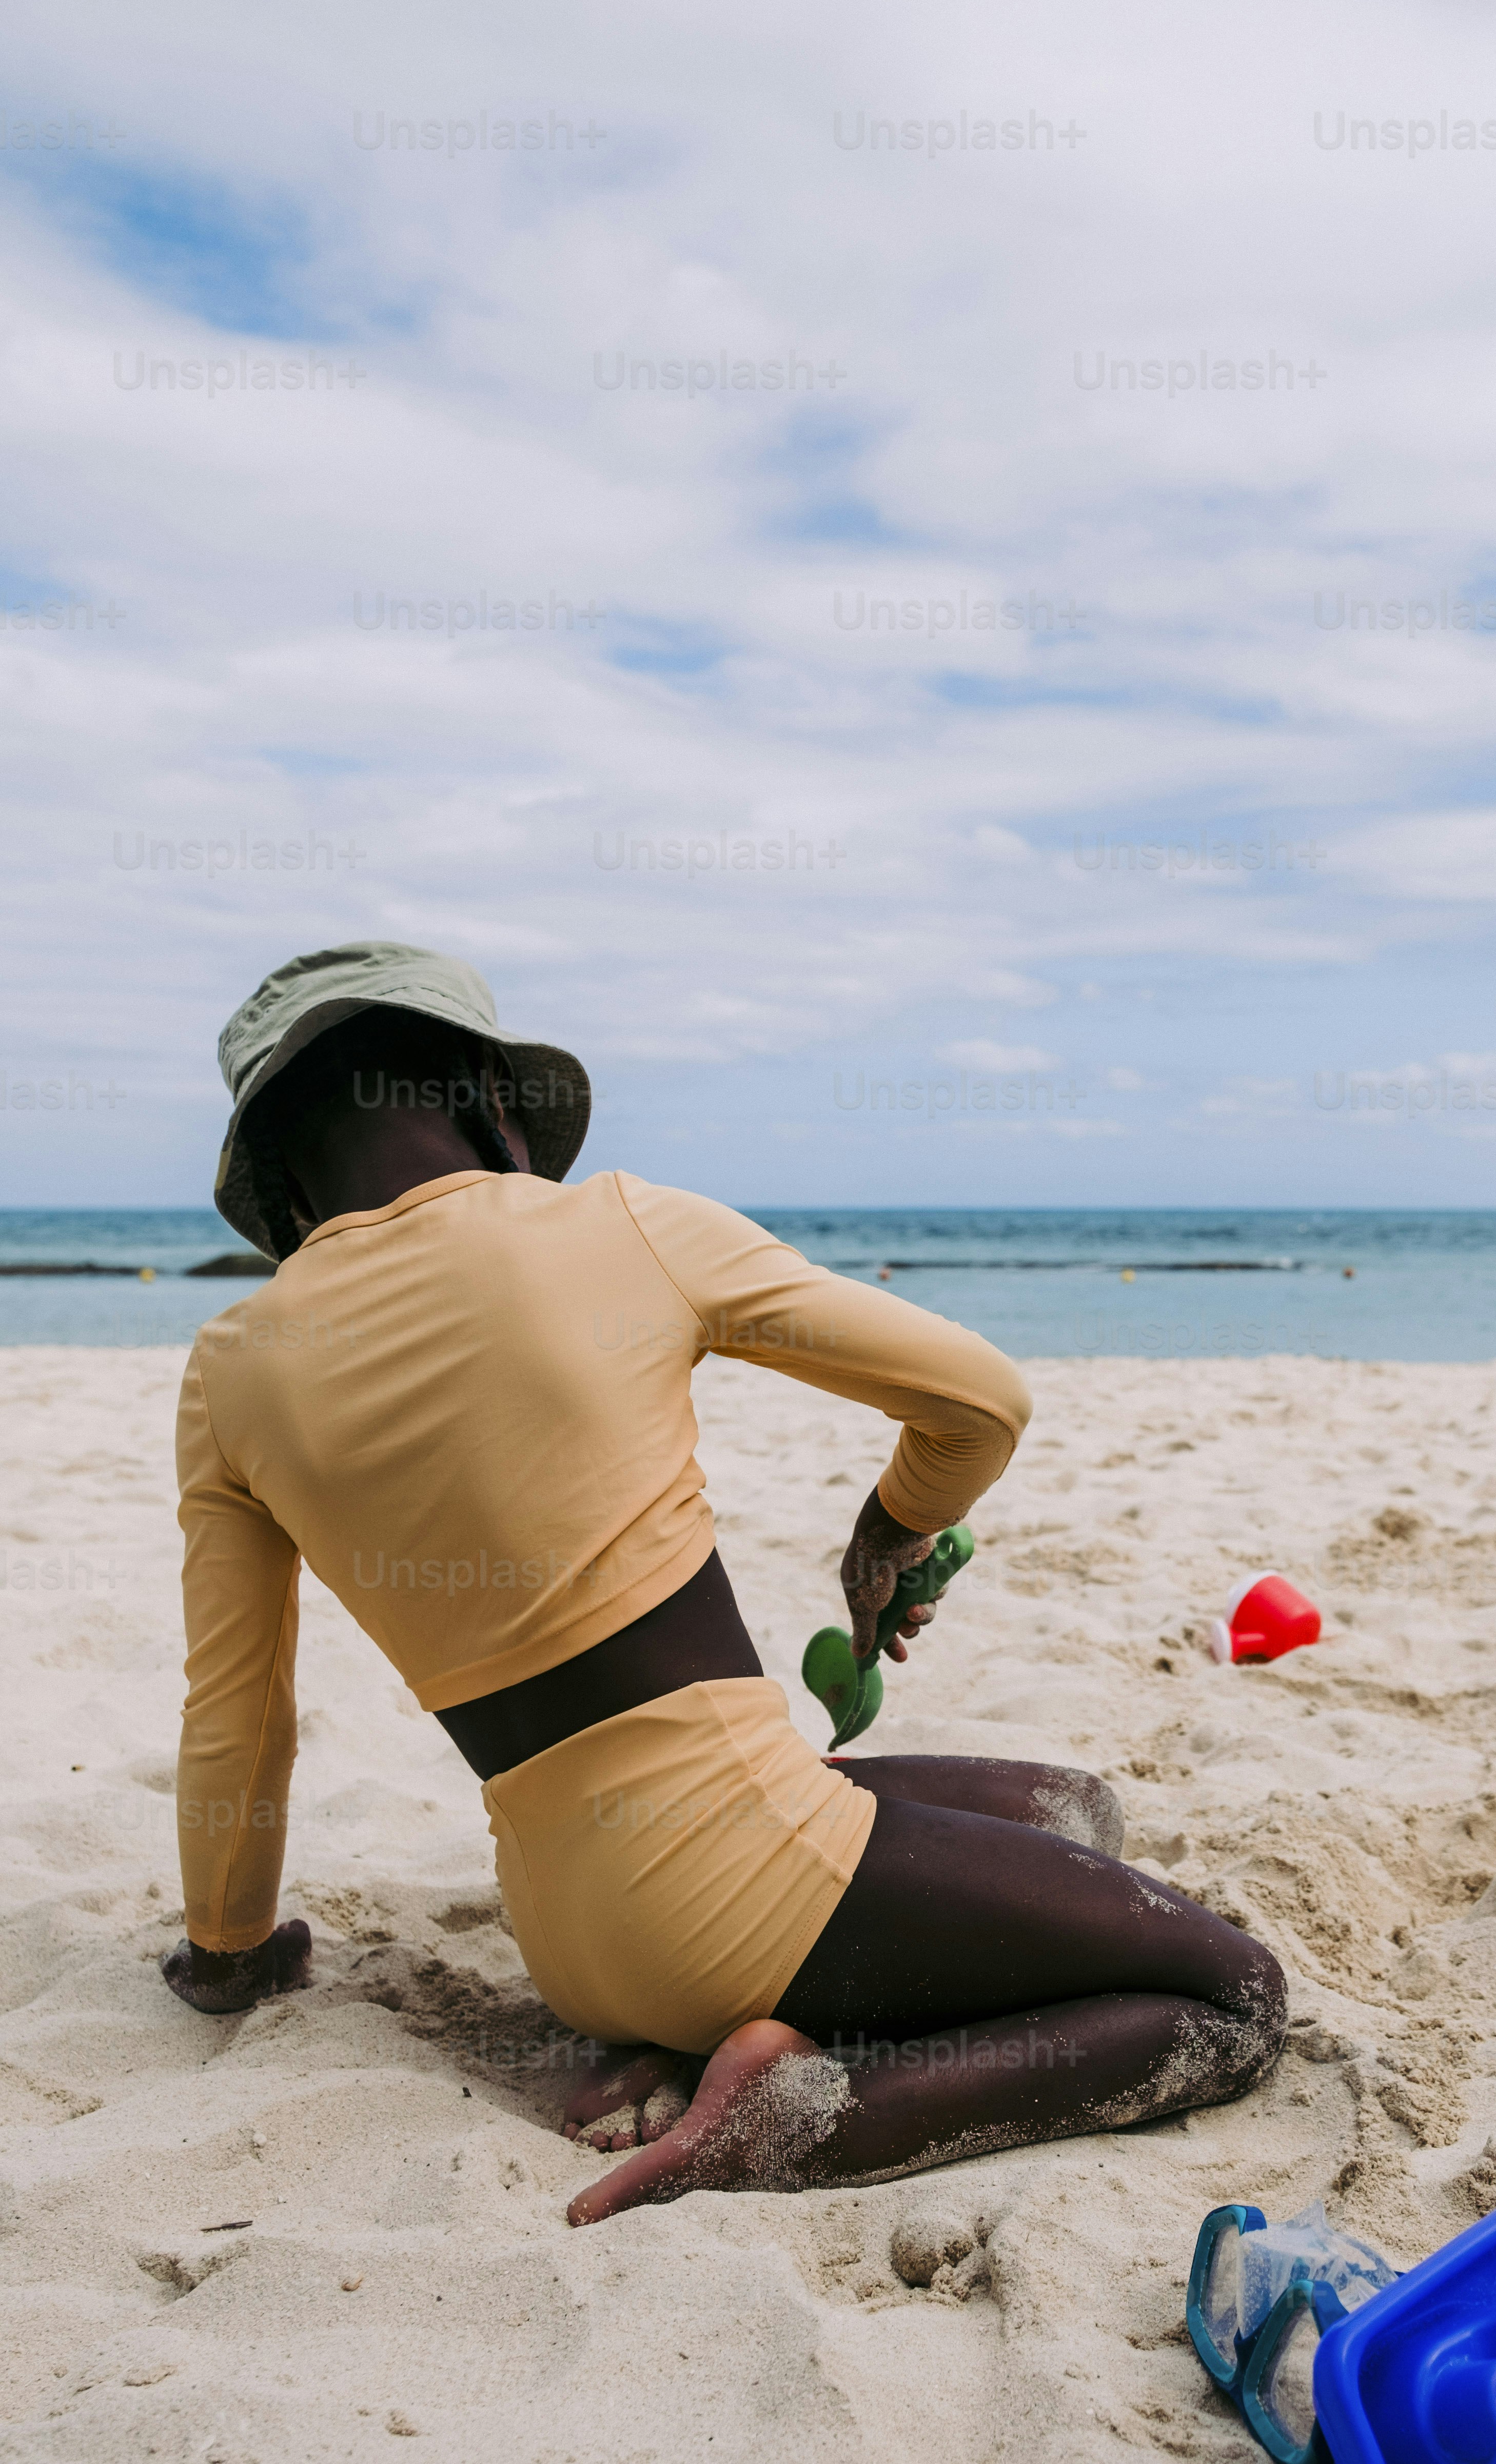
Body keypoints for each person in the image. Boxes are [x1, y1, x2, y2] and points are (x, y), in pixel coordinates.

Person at [167, 944, 1285, 2222]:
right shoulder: (621, 1225)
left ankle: (679, 2043)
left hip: (569, 1940)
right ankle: (807, 2120)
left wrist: (229, 1953)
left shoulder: (233, 1368)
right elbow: (981, 1401)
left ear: (282, 1178)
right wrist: (891, 1531)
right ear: (489, 1099)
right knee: (1231, 1998)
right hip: (749, 1881)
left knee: (1071, 1811)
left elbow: (238, 1718)